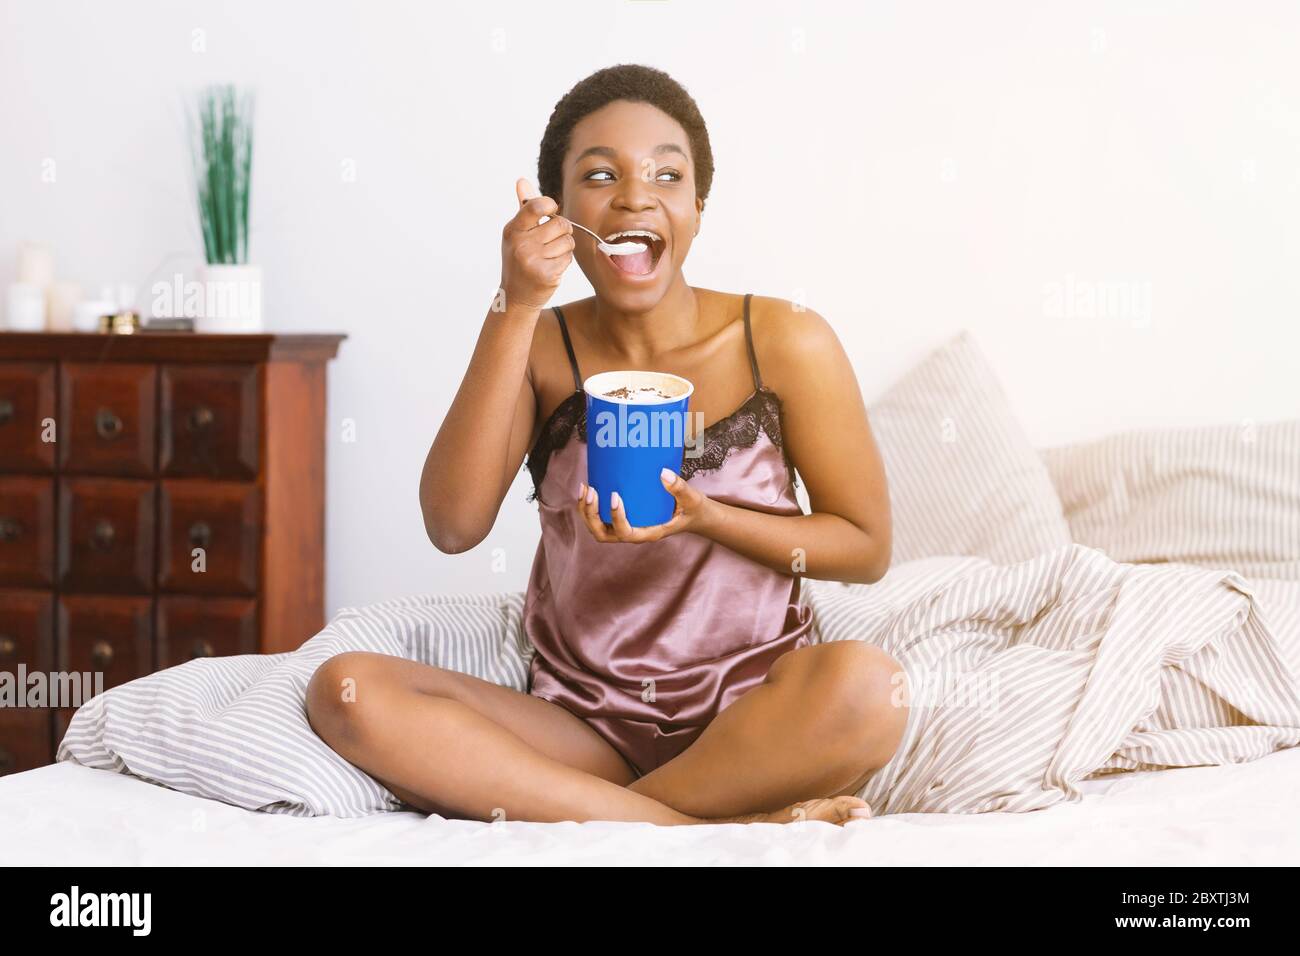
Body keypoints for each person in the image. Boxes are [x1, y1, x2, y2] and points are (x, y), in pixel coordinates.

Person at [308, 64, 901, 826]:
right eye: (600, 174)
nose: (633, 194)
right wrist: (516, 302)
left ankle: (609, 821)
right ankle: (690, 829)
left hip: (752, 718)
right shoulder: (538, 343)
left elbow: (866, 548)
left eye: (666, 173)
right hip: (581, 726)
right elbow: (453, 526)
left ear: (696, 207)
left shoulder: (785, 340)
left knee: (869, 687)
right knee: (346, 690)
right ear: (558, 208)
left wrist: (708, 518)